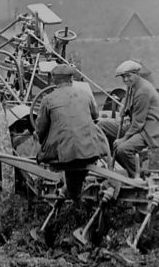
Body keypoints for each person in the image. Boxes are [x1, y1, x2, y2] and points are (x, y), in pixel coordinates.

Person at [35, 64, 111, 200]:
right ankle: (76, 193)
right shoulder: (85, 94)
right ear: (71, 80)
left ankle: (73, 193)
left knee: (69, 163)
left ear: (54, 82)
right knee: (79, 163)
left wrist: (44, 145)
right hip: (90, 153)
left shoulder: (48, 100)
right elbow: (95, 116)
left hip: (63, 159)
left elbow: (40, 130)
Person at [98, 60, 159, 179]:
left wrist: (123, 139)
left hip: (149, 130)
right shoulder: (132, 86)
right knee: (101, 126)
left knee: (123, 149)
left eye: (128, 76)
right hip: (136, 126)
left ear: (136, 74)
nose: (125, 80)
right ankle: (111, 163)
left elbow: (138, 123)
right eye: (123, 77)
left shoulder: (143, 91)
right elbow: (129, 105)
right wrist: (124, 109)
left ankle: (136, 177)